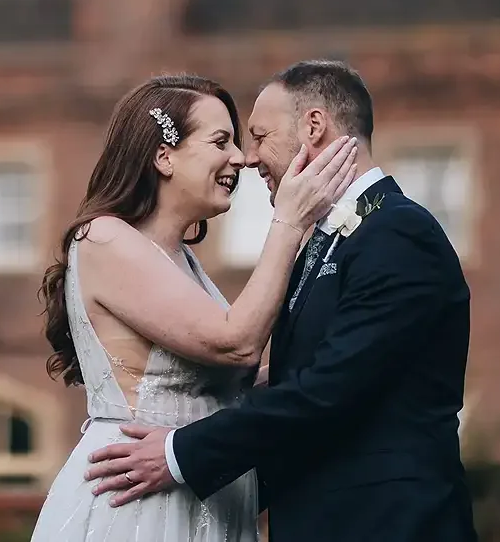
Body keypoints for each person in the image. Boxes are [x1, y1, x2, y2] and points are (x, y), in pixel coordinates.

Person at [84, 60, 477, 542]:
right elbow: (330, 370)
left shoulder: (398, 232)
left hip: (387, 523)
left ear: (313, 126)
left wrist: (181, 453)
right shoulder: (326, 241)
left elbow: (329, 390)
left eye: (259, 136)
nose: (248, 159)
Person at [29, 73, 360, 541]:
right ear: (164, 156)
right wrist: (289, 221)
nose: (240, 158)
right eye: (221, 141)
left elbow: (223, 381)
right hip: (137, 498)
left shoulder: (183, 260)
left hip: (201, 491)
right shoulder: (102, 238)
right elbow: (235, 343)